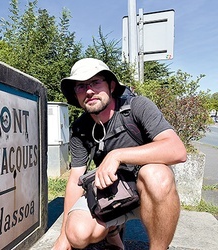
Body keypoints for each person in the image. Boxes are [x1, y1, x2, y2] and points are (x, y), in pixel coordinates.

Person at [52, 58, 187, 250]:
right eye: (81, 86)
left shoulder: (137, 107)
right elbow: (75, 178)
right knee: (77, 234)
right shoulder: (80, 127)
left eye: (96, 82)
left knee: (156, 174)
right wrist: (62, 236)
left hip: (148, 192)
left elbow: (177, 150)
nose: (89, 91)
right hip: (113, 193)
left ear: (111, 86)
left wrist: (117, 155)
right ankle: (113, 230)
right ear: (76, 94)